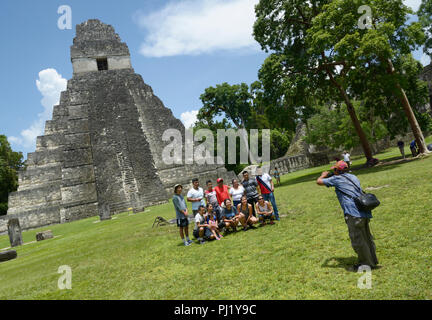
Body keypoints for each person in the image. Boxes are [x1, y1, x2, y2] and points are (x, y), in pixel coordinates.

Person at [316, 160, 379, 271]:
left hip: (353, 212)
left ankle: (365, 264)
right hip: (363, 210)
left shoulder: (336, 179)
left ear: (337, 170)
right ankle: (372, 260)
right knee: (367, 237)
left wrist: (323, 175)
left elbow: (319, 182)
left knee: (358, 240)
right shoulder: (353, 177)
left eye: (334, 169)